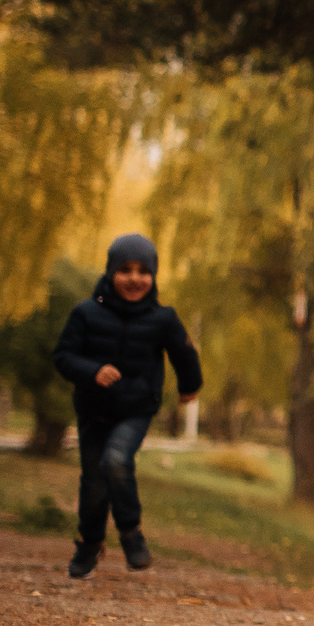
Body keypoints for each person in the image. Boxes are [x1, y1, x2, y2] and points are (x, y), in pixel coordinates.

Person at [51, 235, 202, 579]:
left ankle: (131, 533)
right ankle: (90, 542)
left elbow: (184, 353)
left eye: (143, 271)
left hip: (136, 408)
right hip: (93, 408)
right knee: (93, 483)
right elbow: (63, 356)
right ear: (110, 273)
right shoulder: (86, 313)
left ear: (153, 277)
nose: (134, 278)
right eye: (125, 270)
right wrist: (92, 371)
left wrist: (189, 387)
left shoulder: (162, 319)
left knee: (116, 461)